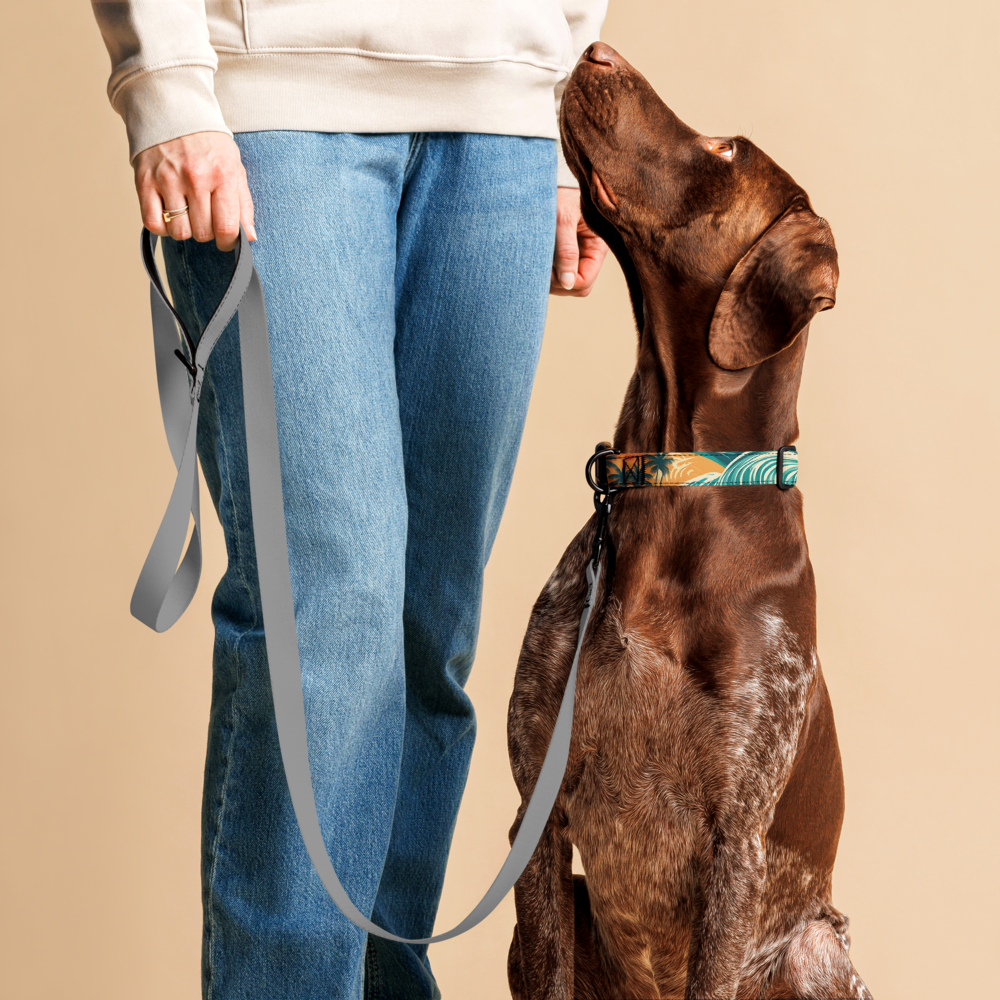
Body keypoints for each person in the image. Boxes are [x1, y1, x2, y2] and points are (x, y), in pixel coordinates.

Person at [93, 2, 609, 997]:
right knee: (325, 630)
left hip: (500, 120)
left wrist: (556, 103)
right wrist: (165, 85)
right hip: (274, 99)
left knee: (429, 634)